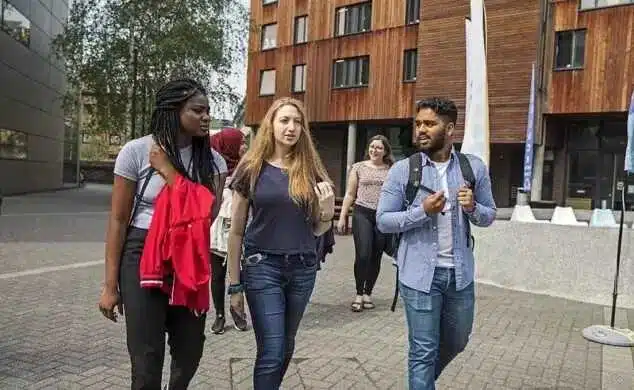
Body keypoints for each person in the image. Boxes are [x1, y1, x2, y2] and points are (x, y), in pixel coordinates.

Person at [98, 79, 228, 389]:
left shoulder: (214, 162)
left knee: (189, 349)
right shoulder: (137, 152)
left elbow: (204, 216)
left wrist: (170, 173)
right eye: (198, 110)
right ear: (173, 111)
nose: (206, 117)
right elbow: (118, 220)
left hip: (189, 257)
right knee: (146, 357)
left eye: (208, 110)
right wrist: (109, 286)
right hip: (142, 252)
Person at [376, 97, 496, 390]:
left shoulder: (473, 168)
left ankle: (422, 382)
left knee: (458, 340)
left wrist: (472, 209)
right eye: (418, 123)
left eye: (430, 124)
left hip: (460, 275)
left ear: (450, 128)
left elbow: (489, 215)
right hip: (418, 276)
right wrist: (422, 212)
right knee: (422, 351)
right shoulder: (404, 170)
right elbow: (383, 220)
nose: (421, 130)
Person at [226, 97, 334, 389]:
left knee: (286, 347)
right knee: (272, 351)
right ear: (270, 125)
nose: (291, 127)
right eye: (284, 120)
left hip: (303, 269)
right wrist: (235, 286)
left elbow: (317, 230)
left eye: (297, 122)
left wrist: (326, 211)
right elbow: (236, 232)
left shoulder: (309, 168)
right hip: (263, 268)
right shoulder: (252, 167)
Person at [336, 135, 394, 312]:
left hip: (382, 216)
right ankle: (358, 294)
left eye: (378, 148)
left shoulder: (391, 169)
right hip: (362, 213)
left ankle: (368, 293)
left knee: (376, 255)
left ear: (385, 151)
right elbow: (350, 194)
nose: (374, 150)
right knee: (363, 253)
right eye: (372, 147)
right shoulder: (358, 167)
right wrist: (342, 216)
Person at [209, 127, 249, 334]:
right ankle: (219, 314)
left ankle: (238, 310)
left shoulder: (248, 168)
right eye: (241, 142)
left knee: (239, 273)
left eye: (245, 142)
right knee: (216, 275)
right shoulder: (212, 167)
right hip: (215, 231)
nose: (244, 147)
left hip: (239, 228)